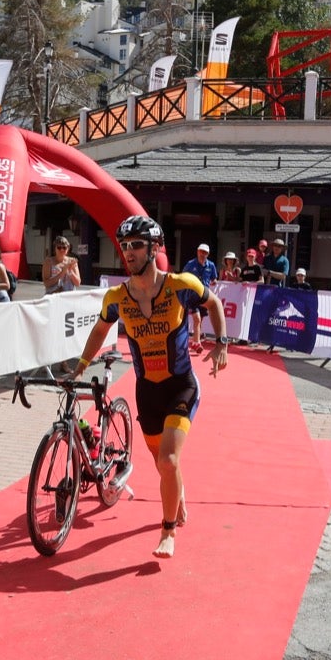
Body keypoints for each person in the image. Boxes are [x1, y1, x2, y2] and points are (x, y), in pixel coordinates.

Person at [72, 216, 229, 560]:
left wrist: (222, 343)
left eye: (137, 245)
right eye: (124, 246)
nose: (128, 252)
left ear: (155, 248)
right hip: (147, 391)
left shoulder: (181, 285)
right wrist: (81, 365)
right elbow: (100, 331)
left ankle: (168, 531)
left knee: (169, 460)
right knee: (163, 465)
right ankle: (178, 495)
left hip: (181, 386)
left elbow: (214, 304)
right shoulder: (117, 297)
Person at [182, 243, 218, 348]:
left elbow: (214, 278)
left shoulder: (211, 265)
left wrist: (214, 282)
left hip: (204, 296)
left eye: (205, 252)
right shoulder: (190, 264)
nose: (203, 254)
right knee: (197, 319)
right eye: (201, 252)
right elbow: (183, 276)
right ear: (198, 252)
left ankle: (195, 339)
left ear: (208, 254)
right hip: (193, 295)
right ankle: (197, 343)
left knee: (199, 320)